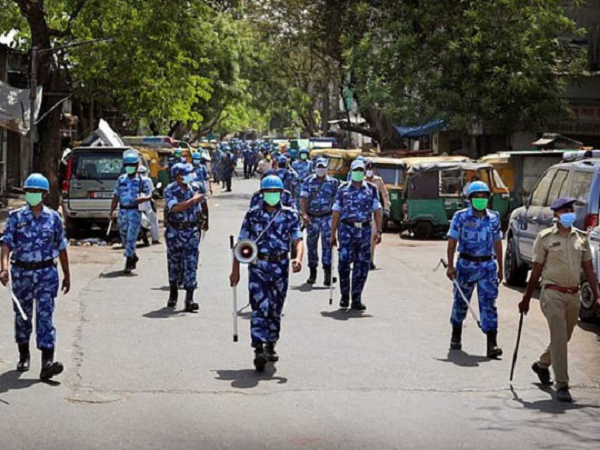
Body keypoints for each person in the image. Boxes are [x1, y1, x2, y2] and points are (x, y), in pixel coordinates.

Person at [519, 197, 600, 403]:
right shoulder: (545, 238)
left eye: (570, 210)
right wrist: (526, 298)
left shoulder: (581, 238)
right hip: (551, 293)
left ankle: (542, 364)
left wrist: (598, 295)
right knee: (559, 335)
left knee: (564, 336)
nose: (568, 214)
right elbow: (536, 271)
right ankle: (562, 384)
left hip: (574, 295)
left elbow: (589, 269)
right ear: (556, 215)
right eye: (564, 211)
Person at [230, 175, 304, 371]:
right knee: (259, 307)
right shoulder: (252, 215)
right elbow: (241, 244)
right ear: (262, 194)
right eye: (268, 192)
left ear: (281, 193)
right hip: (258, 267)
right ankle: (258, 348)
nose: (272, 195)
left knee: (275, 308)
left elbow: (298, 239)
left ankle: (271, 343)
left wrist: (298, 258)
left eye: (275, 192)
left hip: (280, 266)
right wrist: (235, 271)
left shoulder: (289, 215)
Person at [0, 173, 70, 380]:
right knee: (23, 316)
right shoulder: (16, 217)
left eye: (37, 192)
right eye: (30, 191)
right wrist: (3, 268)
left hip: (47, 273)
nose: (33, 195)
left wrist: (67, 274)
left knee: (46, 316)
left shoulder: (54, 218)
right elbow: (6, 244)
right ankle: (24, 354)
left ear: (44, 194)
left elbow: (62, 247)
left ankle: (47, 361)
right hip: (22, 273)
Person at [446, 181, 503, 358]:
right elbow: (452, 241)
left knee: (489, 304)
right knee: (461, 302)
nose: (480, 199)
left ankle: (492, 343)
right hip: (466, 265)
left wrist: (500, 267)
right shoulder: (460, 217)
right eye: (477, 197)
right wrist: (450, 265)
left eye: (484, 196)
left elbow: (497, 242)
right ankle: (456, 335)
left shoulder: (494, 217)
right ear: (470, 199)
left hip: (487, 266)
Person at [330, 160, 382, 310]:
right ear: (351, 172)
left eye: (361, 170)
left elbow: (377, 210)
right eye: (356, 170)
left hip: (364, 232)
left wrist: (379, 230)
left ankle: (356, 297)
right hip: (346, 230)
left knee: (362, 266)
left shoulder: (371, 189)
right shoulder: (343, 189)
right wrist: (332, 233)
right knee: (344, 264)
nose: (359, 173)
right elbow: (336, 211)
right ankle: (345, 295)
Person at [164, 163, 209, 312]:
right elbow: (175, 207)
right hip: (175, 231)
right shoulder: (170, 190)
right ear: (178, 177)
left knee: (191, 263)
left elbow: (203, 203)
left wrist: (206, 220)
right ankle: (173, 294)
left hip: (192, 231)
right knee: (174, 264)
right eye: (186, 174)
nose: (190, 177)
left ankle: (189, 298)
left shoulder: (196, 187)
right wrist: (193, 201)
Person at [110, 150, 152, 274]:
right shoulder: (121, 179)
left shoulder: (142, 181)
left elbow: (149, 194)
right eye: (127, 166)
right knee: (123, 236)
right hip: (122, 211)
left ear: (137, 166)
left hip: (134, 211)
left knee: (131, 237)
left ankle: (128, 262)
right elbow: (116, 195)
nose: (130, 168)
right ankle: (132, 255)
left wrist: (143, 198)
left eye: (132, 166)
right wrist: (111, 210)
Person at [301, 158, 339, 285]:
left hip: (327, 217)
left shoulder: (333, 183)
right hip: (312, 218)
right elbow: (303, 199)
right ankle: (312, 273)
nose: (321, 169)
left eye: (323, 167)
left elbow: (337, 201)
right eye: (319, 167)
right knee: (311, 245)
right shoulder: (308, 181)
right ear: (315, 168)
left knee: (328, 245)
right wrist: (304, 214)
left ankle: (328, 274)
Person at [364, 160, 390, 270]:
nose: (369, 171)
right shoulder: (362, 180)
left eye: (371, 169)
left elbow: (384, 194)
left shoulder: (378, 181)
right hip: (362, 212)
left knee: (372, 238)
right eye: (368, 169)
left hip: (374, 212)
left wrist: (386, 208)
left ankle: (370, 260)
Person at [137, 166, 160, 245]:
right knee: (153, 221)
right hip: (146, 203)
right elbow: (152, 191)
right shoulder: (147, 180)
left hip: (136, 204)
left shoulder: (132, 179)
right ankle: (155, 239)